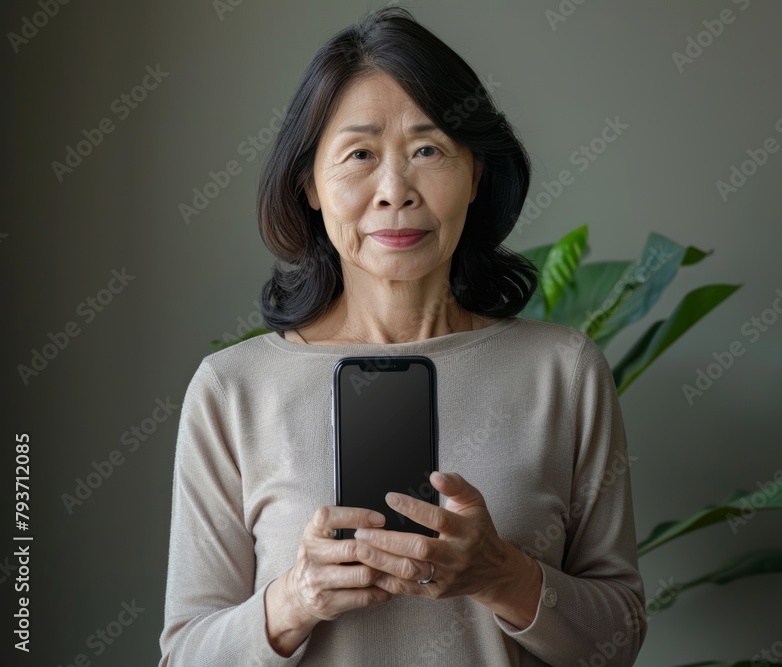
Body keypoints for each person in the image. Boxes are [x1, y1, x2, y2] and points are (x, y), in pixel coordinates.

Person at [159, 7, 646, 666]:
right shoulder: (231, 391)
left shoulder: (563, 371)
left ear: (474, 174)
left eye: (428, 150)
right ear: (309, 184)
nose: (395, 190)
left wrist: (501, 574)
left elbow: (619, 639)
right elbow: (183, 655)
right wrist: (296, 599)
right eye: (360, 154)